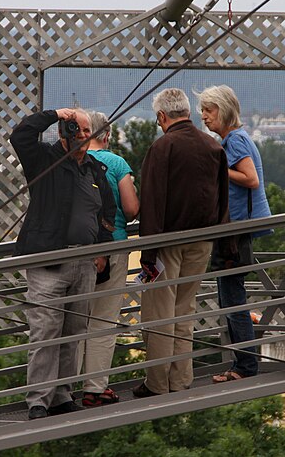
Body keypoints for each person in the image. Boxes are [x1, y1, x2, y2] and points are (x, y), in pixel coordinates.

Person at [10, 107, 116, 420]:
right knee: (45, 331)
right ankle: (39, 400)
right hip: (49, 261)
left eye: (87, 131)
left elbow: (107, 214)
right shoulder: (44, 160)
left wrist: (102, 250)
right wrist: (55, 114)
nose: (83, 137)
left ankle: (62, 394)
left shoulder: (95, 169)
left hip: (84, 262)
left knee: (73, 330)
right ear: (64, 133)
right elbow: (20, 135)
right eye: (77, 130)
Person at [133, 88, 229, 398]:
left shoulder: (163, 148)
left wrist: (148, 254)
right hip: (202, 241)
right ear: (187, 111)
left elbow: (152, 202)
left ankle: (157, 383)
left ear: (162, 116)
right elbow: (222, 198)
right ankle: (181, 379)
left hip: (168, 243)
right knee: (185, 310)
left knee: (160, 313)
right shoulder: (213, 147)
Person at [197, 85, 271, 383]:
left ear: (225, 111)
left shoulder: (235, 142)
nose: (204, 116)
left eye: (209, 110)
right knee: (231, 296)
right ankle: (244, 363)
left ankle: (244, 366)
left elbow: (250, 179)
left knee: (232, 299)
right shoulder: (237, 139)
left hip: (238, 228)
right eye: (202, 110)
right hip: (240, 226)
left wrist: (215, 170)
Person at [77, 111, 139, 408]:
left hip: (76, 251)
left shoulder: (71, 162)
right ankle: (95, 387)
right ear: (108, 135)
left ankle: (62, 388)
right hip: (112, 247)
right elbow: (130, 209)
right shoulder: (116, 164)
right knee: (102, 319)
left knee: (74, 321)